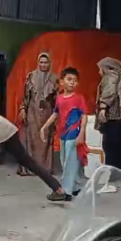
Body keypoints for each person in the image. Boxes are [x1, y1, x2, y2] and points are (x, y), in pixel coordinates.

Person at [40, 67, 87, 201]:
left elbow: (84, 116)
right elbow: (56, 114)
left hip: (74, 133)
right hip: (62, 134)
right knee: (64, 160)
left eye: (75, 80)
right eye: (69, 79)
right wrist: (44, 127)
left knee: (69, 162)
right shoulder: (60, 98)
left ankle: (65, 191)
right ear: (61, 82)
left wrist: (82, 132)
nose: (72, 82)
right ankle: (76, 187)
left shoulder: (78, 98)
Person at [18, 52, 57, 176]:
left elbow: (57, 99)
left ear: (49, 63)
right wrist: (23, 109)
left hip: (47, 112)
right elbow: (26, 96)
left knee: (45, 139)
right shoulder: (31, 77)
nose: (43, 65)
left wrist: (56, 115)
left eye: (46, 62)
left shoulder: (55, 78)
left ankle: (44, 168)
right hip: (32, 112)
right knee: (31, 138)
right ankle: (30, 168)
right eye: (41, 62)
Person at [96, 58, 121, 171]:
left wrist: (103, 107)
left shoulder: (111, 76)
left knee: (111, 151)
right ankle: (119, 176)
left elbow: (109, 91)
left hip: (113, 120)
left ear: (108, 68)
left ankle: (112, 179)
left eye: (100, 69)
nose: (99, 72)